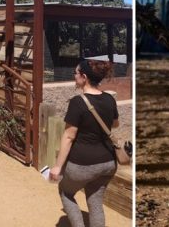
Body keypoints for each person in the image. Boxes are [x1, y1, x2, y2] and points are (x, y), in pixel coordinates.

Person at [50, 60, 119, 227]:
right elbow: (115, 125)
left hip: (83, 164)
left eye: (76, 73)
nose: (74, 76)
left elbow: (69, 136)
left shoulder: (77, 102)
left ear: (84, 77)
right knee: (95, 200)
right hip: (108, 162)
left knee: (66, 192)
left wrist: (57, 167)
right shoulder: (109, 99)